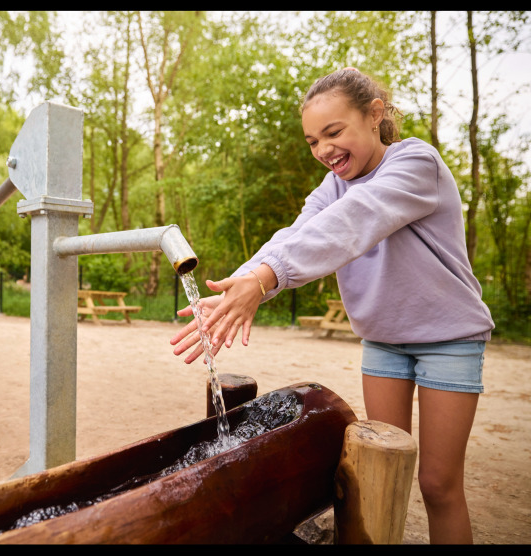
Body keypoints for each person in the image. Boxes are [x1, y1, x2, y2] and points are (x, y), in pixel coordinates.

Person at [170, 68, 494, 544]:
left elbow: (352, 222)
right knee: (381, 473)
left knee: (437, 484)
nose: (323, 149)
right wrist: (241, 283)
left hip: (449, 340)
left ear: (374, 115)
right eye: (312, 141)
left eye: (333, 132)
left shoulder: (415, 163)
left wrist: (263, 280)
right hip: (384, 342)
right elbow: (297, 235)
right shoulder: (332, 187)